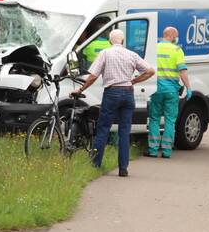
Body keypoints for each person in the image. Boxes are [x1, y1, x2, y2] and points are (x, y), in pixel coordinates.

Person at [72, 28, 154, 177]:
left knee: (103, 128)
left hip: (112, 93)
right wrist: (133, 81)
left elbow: (93, 76)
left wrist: (80, 89)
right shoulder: (132, 54)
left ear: (110, 41)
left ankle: (95, 164)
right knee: (124, 132)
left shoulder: (105, 53)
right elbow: (150, 71)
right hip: (128, 94)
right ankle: (123, 169)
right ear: (122, 41)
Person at [147, 27, 191, 158]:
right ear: (171, 35)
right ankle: (166, 151)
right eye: (176, 36)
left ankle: (153, 150)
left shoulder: (154, 48)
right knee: (170, 121)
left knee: (154, 119)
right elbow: (182, 71)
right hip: (171, 91)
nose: (177, 38)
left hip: (156, 90)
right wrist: (188, 87)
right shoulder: (177, 50)